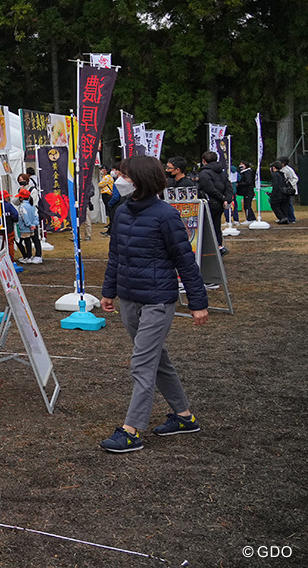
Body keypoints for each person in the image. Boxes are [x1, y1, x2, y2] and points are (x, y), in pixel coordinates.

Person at [99, 156, 208, 453]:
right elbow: (116, 257)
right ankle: (185, 417)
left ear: (141, 179)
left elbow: (185, 262)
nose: (118, 179)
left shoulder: (166, 216)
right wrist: (108, 292)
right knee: (157, 358)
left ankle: (131, 430)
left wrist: (197, 303)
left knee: (143, 363)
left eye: (124, 175)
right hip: (129, 298)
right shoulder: (121, 213)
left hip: (158, 300)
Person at [197, 151, 229, 254]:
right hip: (219, 204)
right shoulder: (222, 172)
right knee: (216, 225)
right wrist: (226, 198)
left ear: (204, 161)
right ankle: (219, 246)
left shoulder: (204, 173)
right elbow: (228, 186)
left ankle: (211, 247)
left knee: (207, 226)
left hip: (210, 202)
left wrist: (222, 198)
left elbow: (209, 188)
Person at [15, 189, 42, 264]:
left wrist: (30, 225)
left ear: (22, 198)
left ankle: (27, 256)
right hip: (31, 228)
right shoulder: (32, 205)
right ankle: (28, 256)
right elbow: (36, 216)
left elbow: (24, 217)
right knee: (28, 241)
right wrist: (33, 225)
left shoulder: (22, 206)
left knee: (19, 241)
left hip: (24, 227)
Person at [278, 158, 298, 223]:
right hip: (284, 189)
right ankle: (284, 217)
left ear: (283, 163)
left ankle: (292, 219)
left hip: (289, 190)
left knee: (289, 204)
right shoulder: (281, 169)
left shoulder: (288, 170)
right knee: (284, 204)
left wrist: (289, 186)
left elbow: (295, 178)